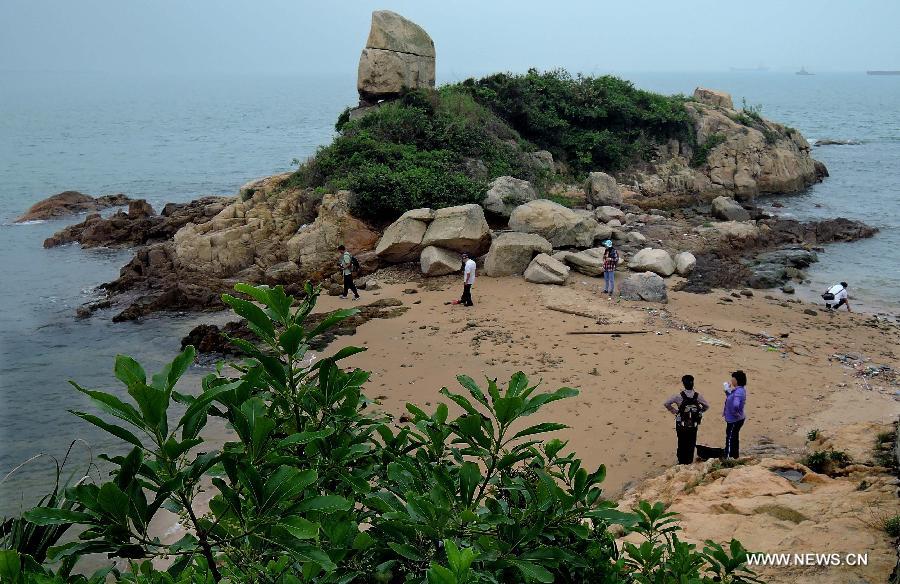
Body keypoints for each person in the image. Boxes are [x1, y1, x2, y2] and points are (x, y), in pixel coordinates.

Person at [664, 375, 710, 464]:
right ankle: (689, 461)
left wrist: (675, 411)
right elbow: (706, 406)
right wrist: (700, 412)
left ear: (683, 384)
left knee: (681, 442)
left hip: (681, 424)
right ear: (693, 383)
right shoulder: (698, 396)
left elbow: (666, 403)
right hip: (693, 424)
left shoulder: (678, 396)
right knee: (691, 442)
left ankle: (681, 461)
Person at [723, 370, 747, 458]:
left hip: (734, 420)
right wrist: (727, 391)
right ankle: (735, 456)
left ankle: (728, 458)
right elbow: (731, 398)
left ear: (737, 380)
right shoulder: (737, 390)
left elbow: (736, 404)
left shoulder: (739, 392)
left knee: (730, 438)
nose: (731, 380)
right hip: (736, 419)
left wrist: (735, 413)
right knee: (734, 437)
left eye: (733, 379)